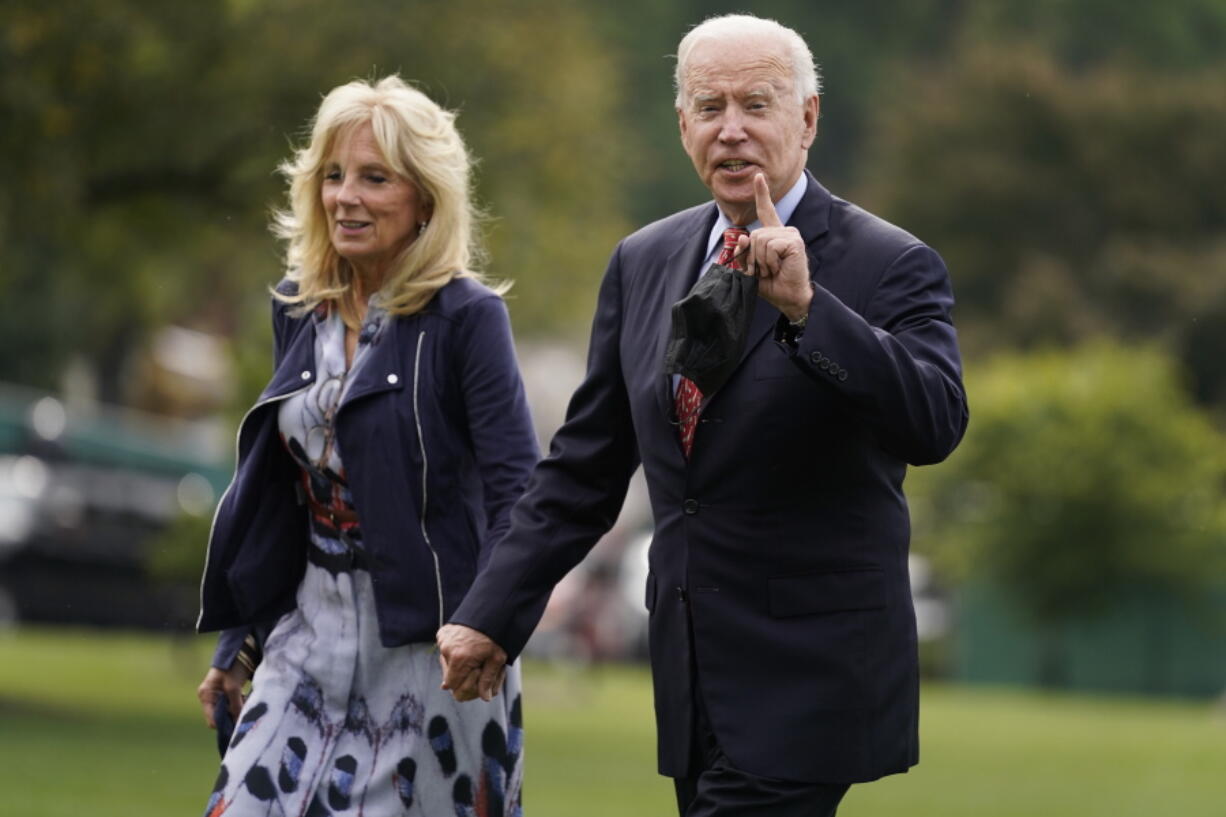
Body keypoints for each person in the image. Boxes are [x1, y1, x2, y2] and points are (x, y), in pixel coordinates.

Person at [437, 13, 969, 817]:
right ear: (681, 122)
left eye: (756, 104)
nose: (732, 130)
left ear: (808, 117)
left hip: (813, 675)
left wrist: (808, 310)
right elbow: (584, 468)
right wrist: (491, 612)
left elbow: (935, 422)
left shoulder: (887, 261)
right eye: (709, 106)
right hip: (691, 674)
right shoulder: (644, 260)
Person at [195, 75, 537, 816]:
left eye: (374, 178)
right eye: (333, 175)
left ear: (424, 198)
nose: (346, 196)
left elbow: (520, 492)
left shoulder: (467, 318)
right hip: (306, 642)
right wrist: (238, 647)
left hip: (436, 659)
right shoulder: (298, 308)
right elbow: (282, 499)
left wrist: (492, 624)